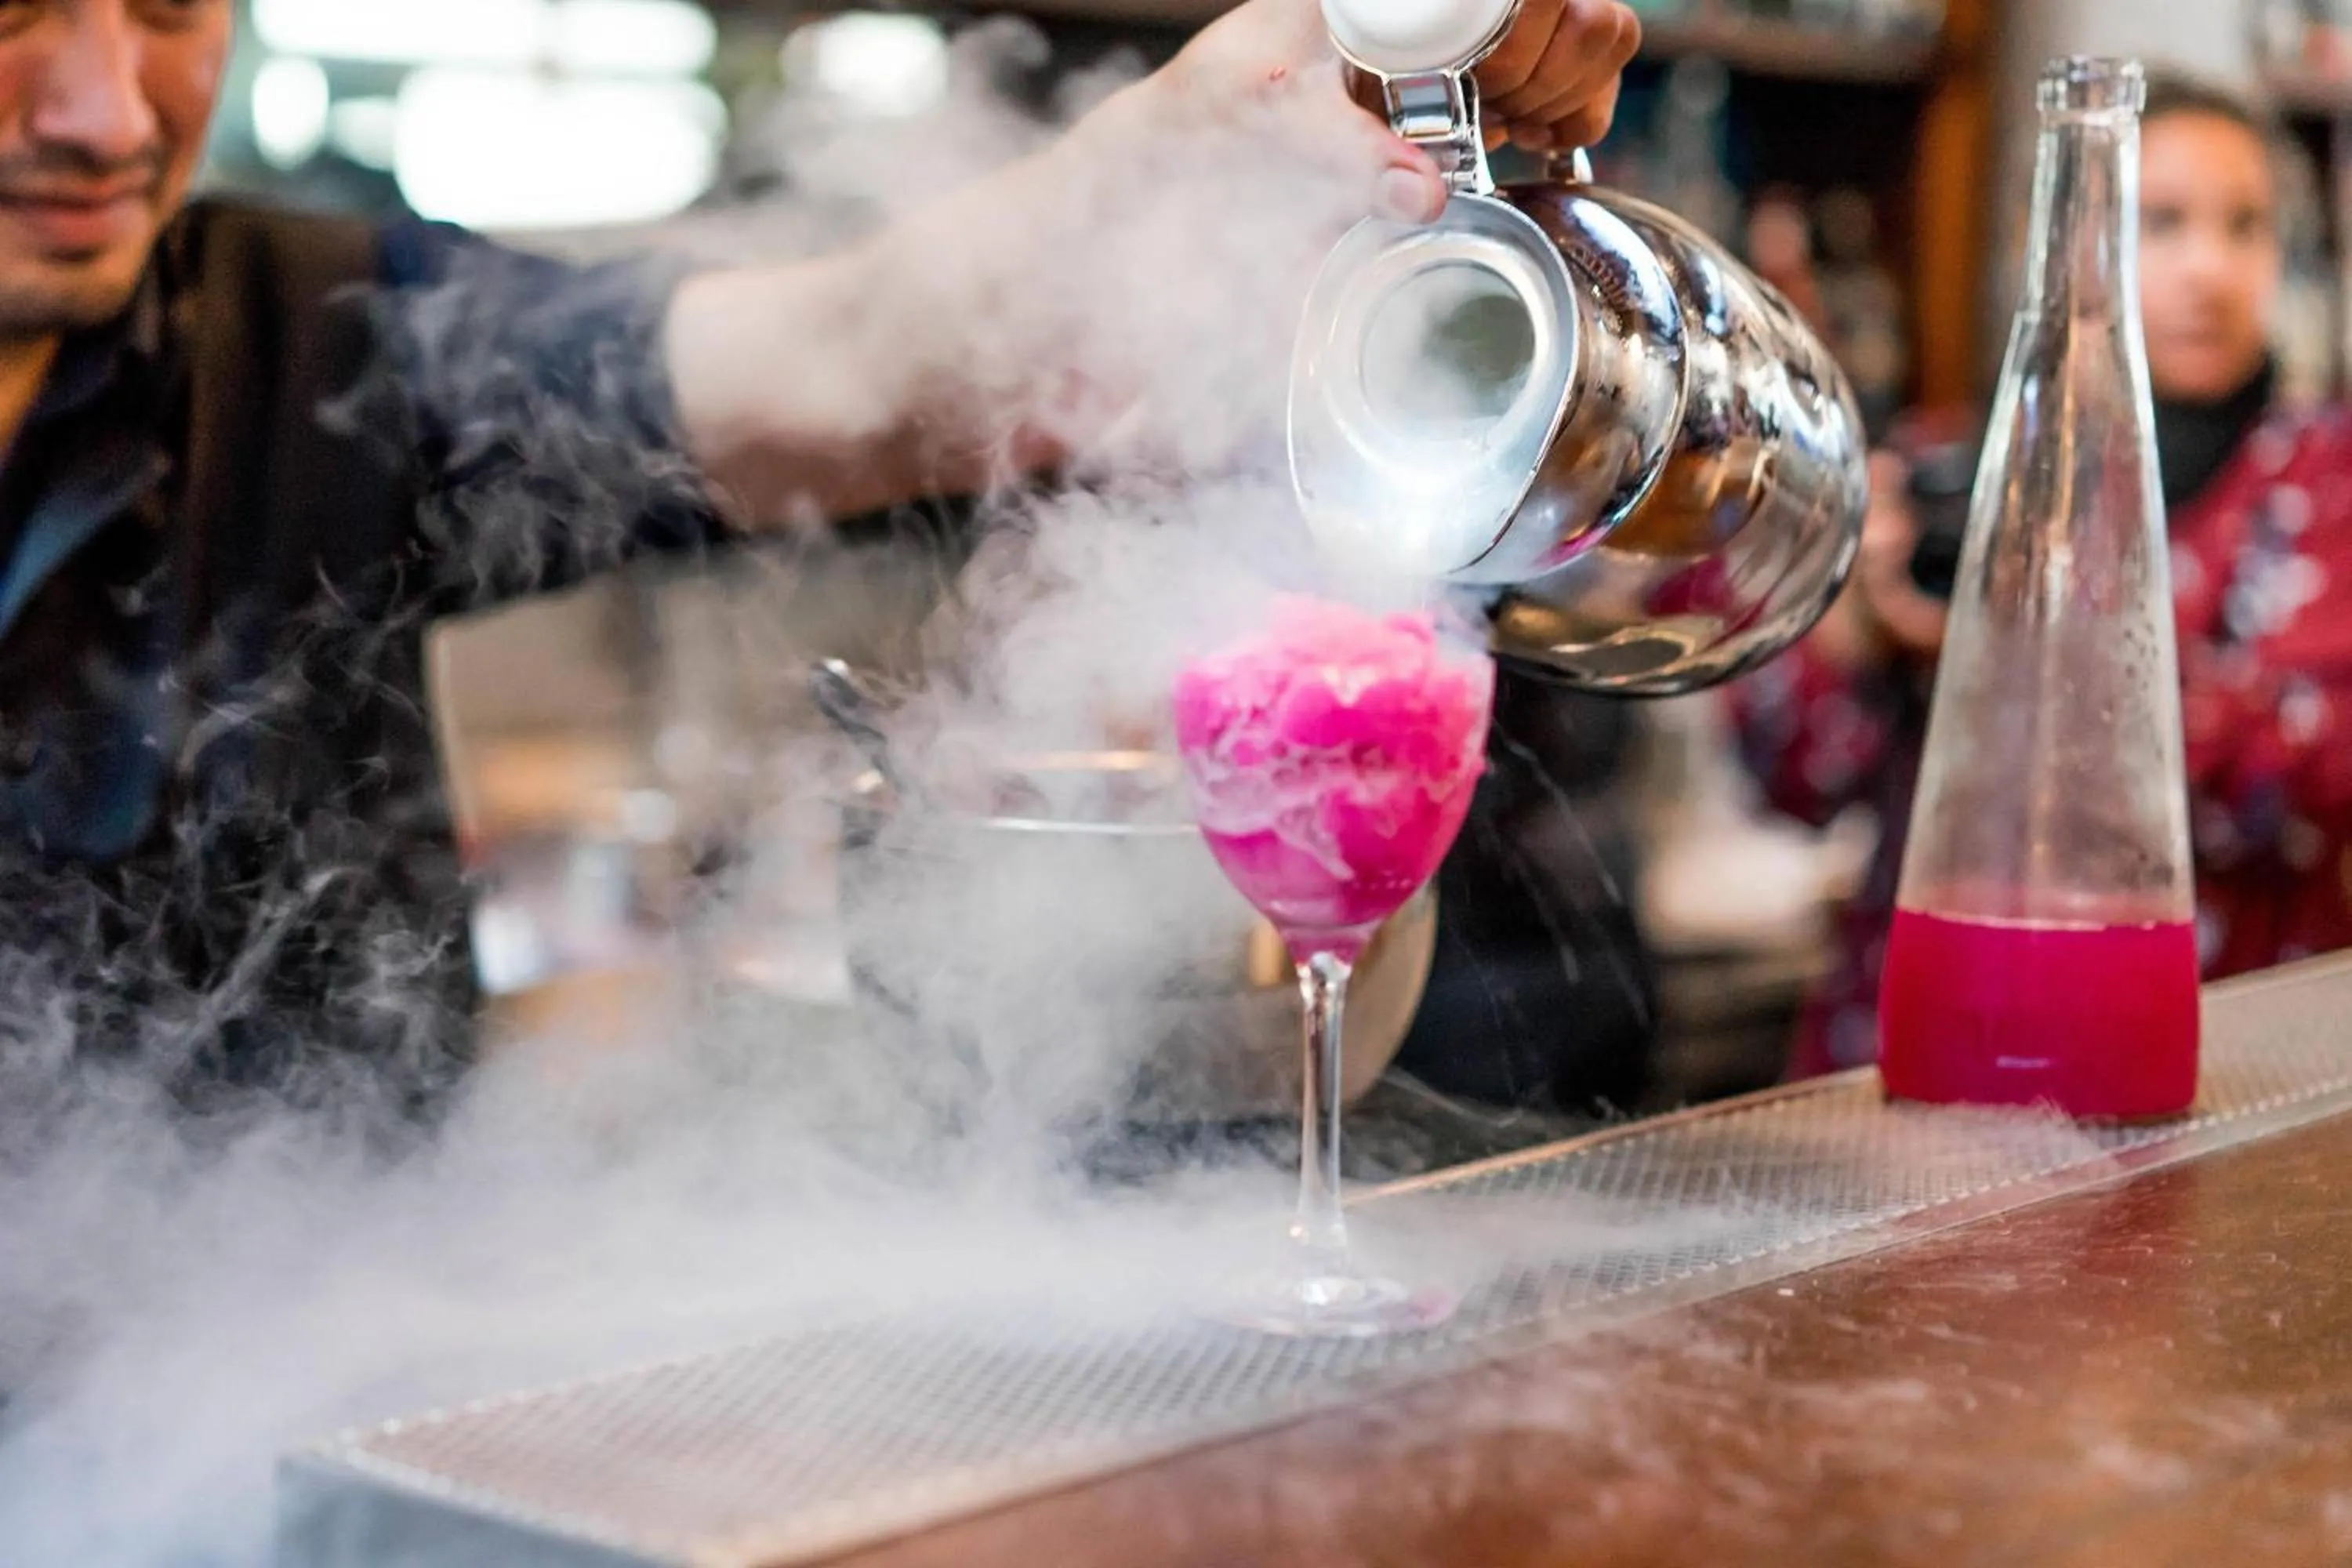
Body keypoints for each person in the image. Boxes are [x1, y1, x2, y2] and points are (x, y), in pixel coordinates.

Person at [0, 0, 1639, 1102]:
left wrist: (1181, 157)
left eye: (163, 7)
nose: (99, 110)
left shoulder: (305, 330)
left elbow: (846, 358)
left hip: (310, 1436)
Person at [1733, 70, 2352, 1080]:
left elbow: (2311, 774)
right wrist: (1849, 625)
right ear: (2063, 235)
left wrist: (2025, 646)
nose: (2210, 268)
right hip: (1933, 1048)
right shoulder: (1959, 469)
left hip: (2218, 1062)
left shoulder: (2324, 480)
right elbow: (1792, 782)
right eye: (2160, 223)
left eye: (2247, 227)